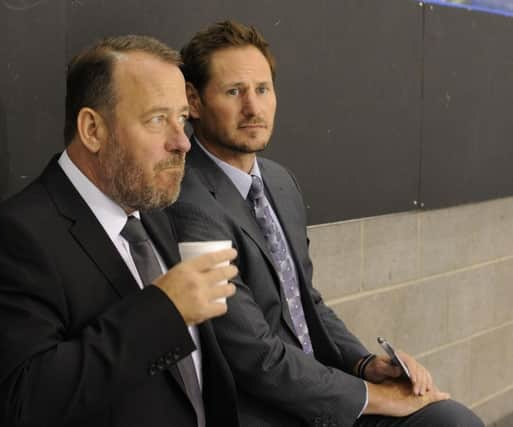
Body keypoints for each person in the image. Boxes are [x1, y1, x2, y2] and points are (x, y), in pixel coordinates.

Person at [168, 20, 484, 427]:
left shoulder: (279, 182)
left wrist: (366, 364)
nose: (254, 108)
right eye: (234, 92)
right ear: (193, 101)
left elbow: (305, 302)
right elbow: (254, 356)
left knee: (450, 420)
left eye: (263, 90)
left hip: (323, 385)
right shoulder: (188, 201)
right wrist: (375, 397)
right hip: (263, 409)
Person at [0, 35, 241, 427]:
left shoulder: (154, 212)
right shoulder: (15, 237)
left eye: (181, 119)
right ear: (92, 129)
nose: (182, 143)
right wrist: (164, 312)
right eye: (158, 119)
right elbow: (20, 401)